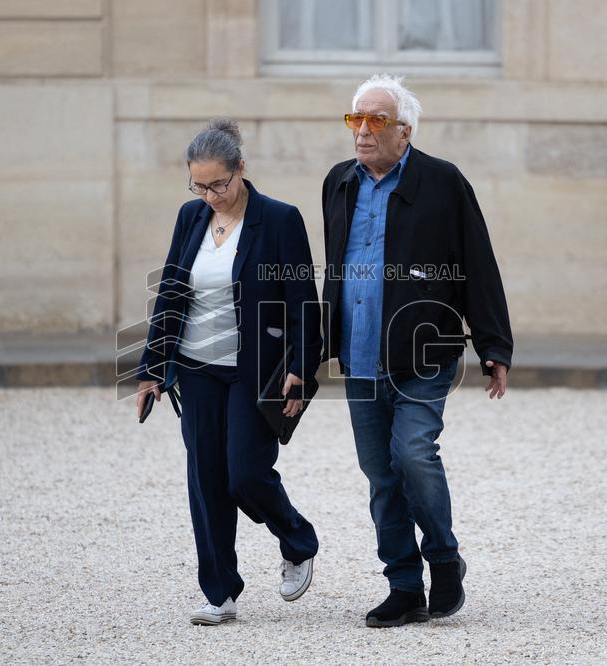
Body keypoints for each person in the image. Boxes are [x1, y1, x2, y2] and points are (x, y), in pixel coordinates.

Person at [320, 75, 514, 628]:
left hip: (423, 352)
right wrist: (312, 349)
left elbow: (478, 262)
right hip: (359, 356)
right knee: (380, 474)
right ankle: (403, 585)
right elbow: (335, 271)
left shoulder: (443, 181)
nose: (361, 131)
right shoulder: (338, 183)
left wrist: (493, 342)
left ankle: (444, 558)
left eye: (375, 120)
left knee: (413, 453)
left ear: (404, 131)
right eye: (355, 119)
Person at [136, 119, 322, 626]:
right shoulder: (190, 217)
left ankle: (298, 541)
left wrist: (301, 369)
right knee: (206, 480)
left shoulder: (280, 220)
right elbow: (171, 293)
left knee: (244, 474)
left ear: (241, 168)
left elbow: (304, 302)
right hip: (196, 370)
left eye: (219, 183)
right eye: (200, 185)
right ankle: (219, 592)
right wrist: (152, 368)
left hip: (252, 370)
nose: (211, 194)